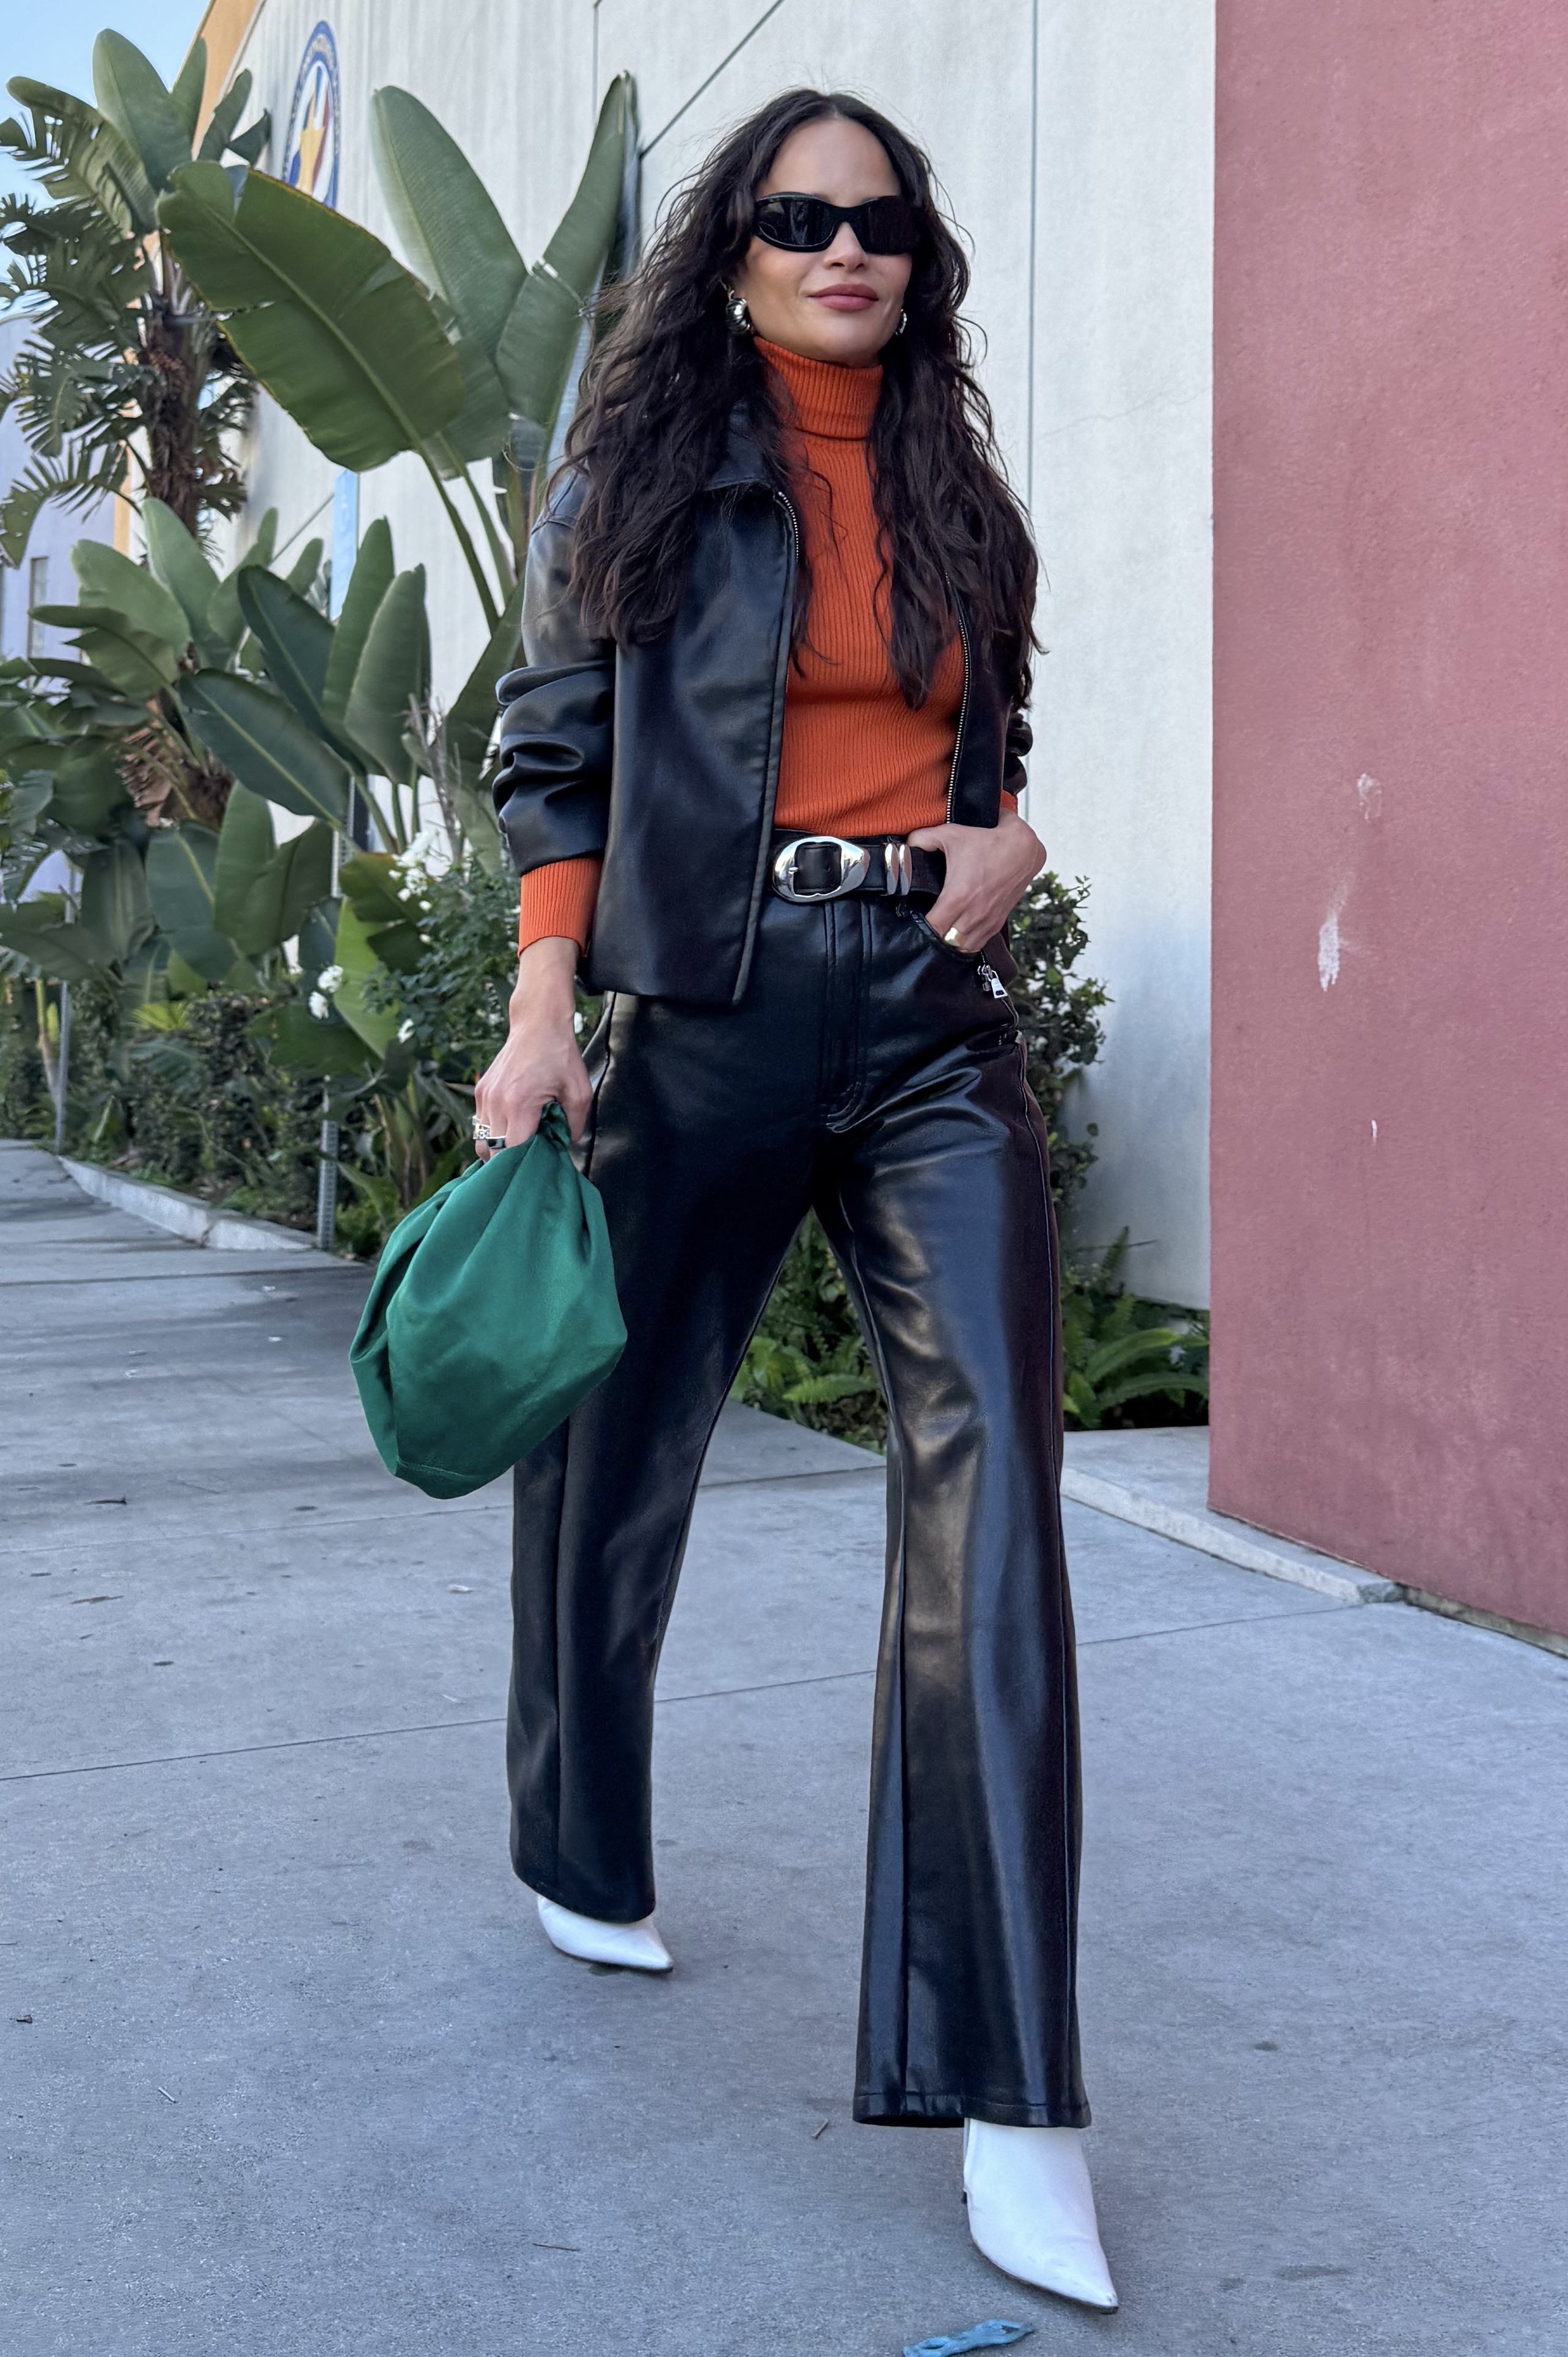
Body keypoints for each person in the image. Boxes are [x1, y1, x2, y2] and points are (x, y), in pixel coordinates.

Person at [474, 87, 1116, 2312]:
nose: (845, 247)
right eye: (796, 214)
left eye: (882, 220)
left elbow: (990, 765)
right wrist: (546, 1007)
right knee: (617, 1443)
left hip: (929, 1014)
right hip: (714, 1003)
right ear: (734, 254)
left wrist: (1016, 844)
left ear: (920, 259)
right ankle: (581, 1838)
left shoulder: (960, 497)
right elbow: (559, 747)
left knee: (995, 1490)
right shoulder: (640, 474)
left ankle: (1015, 2088)